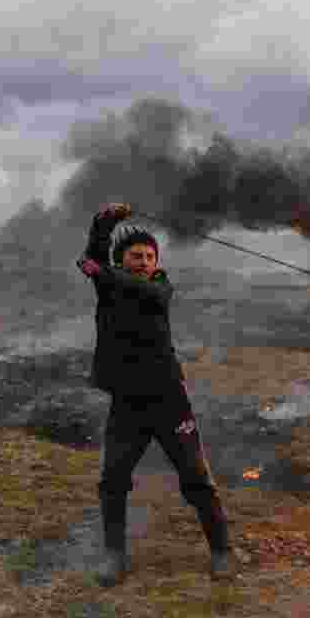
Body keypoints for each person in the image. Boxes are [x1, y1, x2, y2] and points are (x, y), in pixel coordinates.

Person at [78, 203, 232, 587]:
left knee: (195, 478)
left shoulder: (159, 287)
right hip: (127, 404)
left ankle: (222, 552)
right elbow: (96, 257)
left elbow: (133, 285)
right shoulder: (109, 285)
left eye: (149, 256)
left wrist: (105, 273)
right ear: (121, 259)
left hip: (168, 400)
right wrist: (105, 222)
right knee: (113, 481)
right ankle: (115, 556)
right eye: (136, 256)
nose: (144, 261)